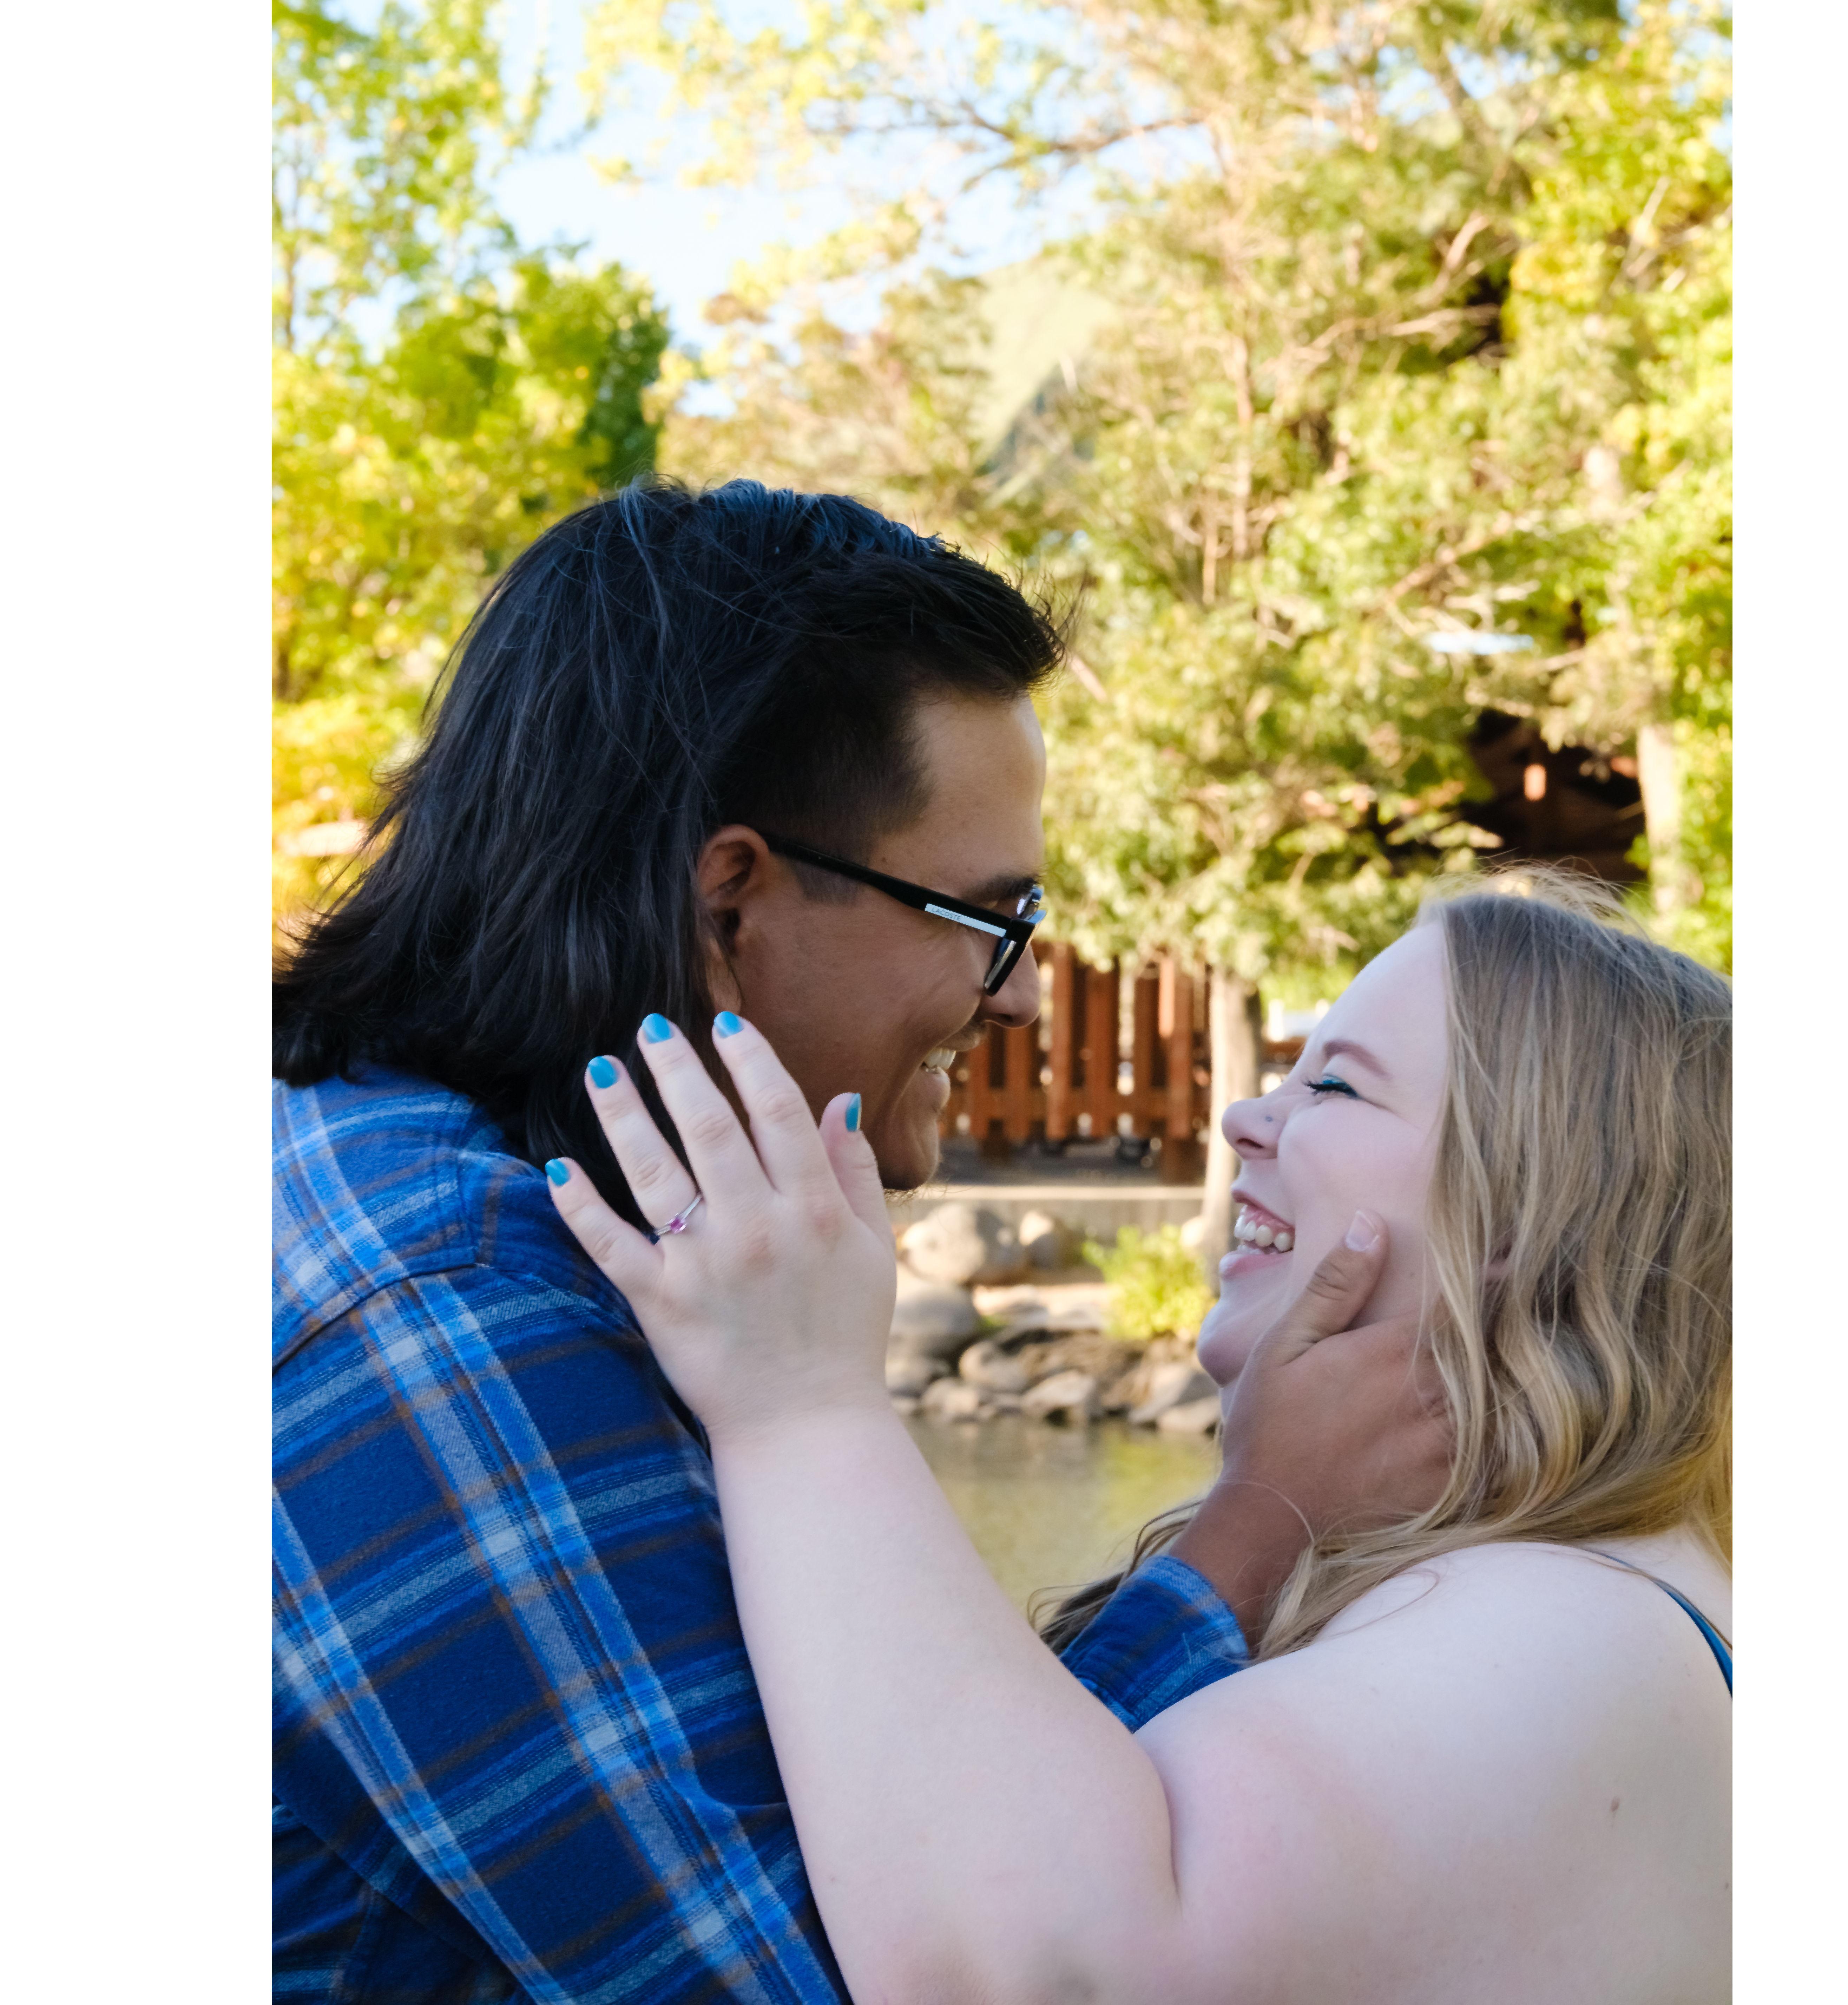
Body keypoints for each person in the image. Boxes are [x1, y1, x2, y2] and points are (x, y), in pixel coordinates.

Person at [271, 478, 1447, 2002]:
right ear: (730, 906)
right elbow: (911, 1965)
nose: (1026, 996)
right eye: (994, 919)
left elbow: (892, 1824)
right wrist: (1259, 1527)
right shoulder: (443, 1310)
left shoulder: (443, 1191)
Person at [548, 871, 1733, 2005]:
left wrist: (801, 1404)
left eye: (1335, 1089)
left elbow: (1051, 1974)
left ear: (1531, 1216)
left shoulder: (1578, 1622)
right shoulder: (1579, 1589)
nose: (1245, 1117)